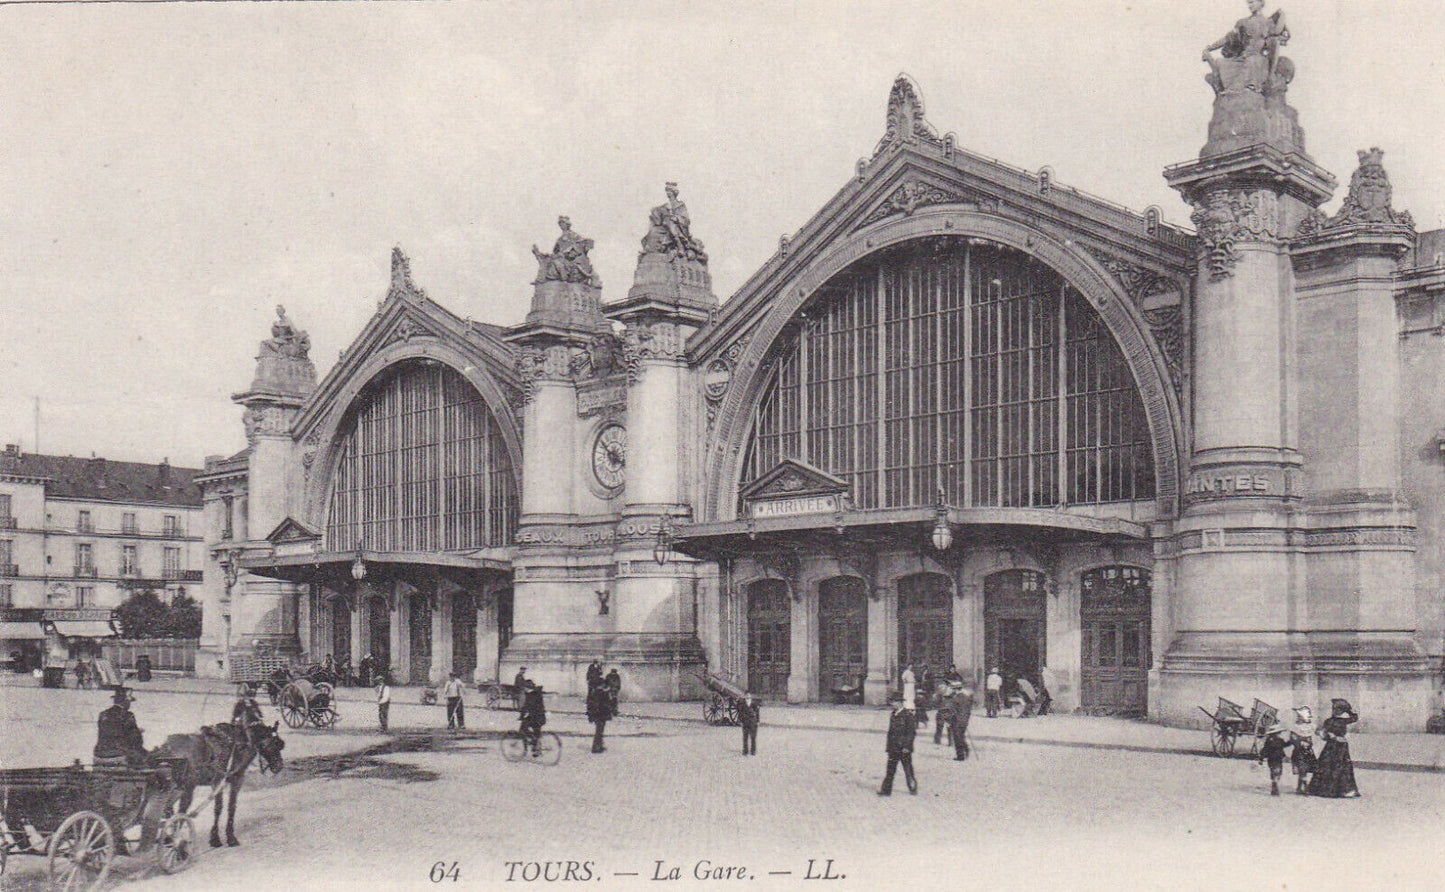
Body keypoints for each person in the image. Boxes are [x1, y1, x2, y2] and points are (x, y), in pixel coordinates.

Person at [1308, 698, 1361, 798]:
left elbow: (1324, 736)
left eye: (1336, 709)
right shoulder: (1342, 721)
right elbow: (1355, 717)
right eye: (1334, 709)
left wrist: (1325, 734)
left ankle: (1328, 789)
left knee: (1331, 766)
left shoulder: (1330, 721)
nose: (1333, 711)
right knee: (1339, 766)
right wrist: (1348, 710)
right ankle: (1343, 790)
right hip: (1339, 746)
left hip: (1334, 746)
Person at [95, 687, 147, 767]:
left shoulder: (102, 714)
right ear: (125, 701)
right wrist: (138, 732)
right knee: (145, 758)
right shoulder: (128, 715)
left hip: (99, 755)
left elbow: (110, 731)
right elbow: (136, 740)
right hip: (119, 755)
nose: (130, 704)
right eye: (129, 701)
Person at [878, 697, 918, 796]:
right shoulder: (893, 714)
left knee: (908, 770)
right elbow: (890, 732)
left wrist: (907, 747)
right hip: (893, 747)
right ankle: (886, 790)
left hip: (904, 748)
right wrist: (888, 747)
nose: (892, 704)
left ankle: (913, 788)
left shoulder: (908, 715)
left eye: (894, 702)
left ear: (900, 703)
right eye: (892, 702)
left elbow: (911, 733)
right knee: (890, 769)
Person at [1256, 723, 1290, 796]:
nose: (1280, 734)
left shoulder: (1270, 740)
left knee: (1274, 772)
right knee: (1277, 772)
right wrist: (1291, 741)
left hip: (1272, 759)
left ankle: (1274, 785)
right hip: (1277, 758)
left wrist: (1261, 758)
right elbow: (1283, 746)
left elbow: (1265, 749)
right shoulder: (1278, 740)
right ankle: (1275, 786)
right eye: (1279, 733)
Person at [1290, 706, 1318, 794]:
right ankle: (1304, 787)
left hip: (1308, 751)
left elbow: (1311, 739)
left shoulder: (1309, 727)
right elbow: (1293, 739)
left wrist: (1309, 744)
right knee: (1302, 769)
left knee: (1304, 770)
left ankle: (1300, 787)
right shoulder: (1295, 728)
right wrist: (1300, 743)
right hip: (1299, 751)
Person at [519, 683, 547, 757]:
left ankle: (532, 744)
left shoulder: (530, 695)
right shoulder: (538, 693)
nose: (524, 689)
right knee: (537, 733)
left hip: (534, 717)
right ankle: (537, 750)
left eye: (524, 688)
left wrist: (521, 716)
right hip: (541, 717)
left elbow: (526, 706)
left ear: (527, 687)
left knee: (522, 729)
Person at [949, 681, 976, 761]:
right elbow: (968, 710)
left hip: (957, 720)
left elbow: (953, 710)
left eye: (953, 689)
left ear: (955, 689)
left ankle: (961, 756)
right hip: (964, 720)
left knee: (957, 738)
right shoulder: (966, 697)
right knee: (961, 736)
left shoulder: (957, 698)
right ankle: (966, 750)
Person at [586, 680, 610, 754]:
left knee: (599, 731)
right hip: (600, 715)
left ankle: (598, 745)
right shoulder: (600, 693)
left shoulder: (596, 692)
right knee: (599, 732)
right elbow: (601, 705)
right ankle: (596, 747)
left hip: (598, 715)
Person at [933, 680, 956, 746]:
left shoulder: (939, 691)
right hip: (950, 711)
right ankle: (951, 742)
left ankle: (937, 741)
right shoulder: (953, 692)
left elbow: (935, 701)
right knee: (950, 726)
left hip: (941, 710)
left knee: (939, 726)